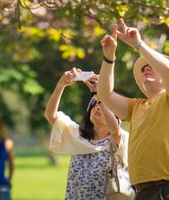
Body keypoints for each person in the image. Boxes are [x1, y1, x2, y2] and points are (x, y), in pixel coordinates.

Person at [97, 19, 169, 199]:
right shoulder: (136, 107)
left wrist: (138, 44)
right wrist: (109, 57)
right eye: (143, 69)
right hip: (142, 191)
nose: (146, 69)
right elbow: (104, 95)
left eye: (151, 66)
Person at [44, 68, 128, 200]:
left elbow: (115, 130)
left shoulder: (118, 139)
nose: (97, 106)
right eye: (94, 103)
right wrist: (61, 85)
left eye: (102, 105)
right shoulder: (78, 136)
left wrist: (99, 94)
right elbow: (50, 116)